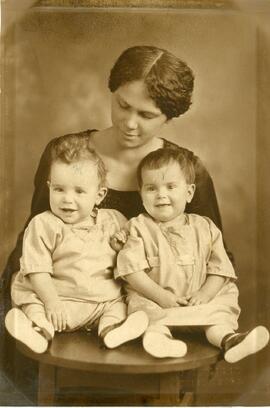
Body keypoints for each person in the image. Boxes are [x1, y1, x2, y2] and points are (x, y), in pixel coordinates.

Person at [1, 45, 229, 396]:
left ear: (169, 117)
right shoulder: (65, 153)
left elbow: (209, 252)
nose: (130, 122)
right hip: (57, 302)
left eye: (147, 114)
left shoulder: (183, 170)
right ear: (111, 91)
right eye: (123, 105)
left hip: (142, 315)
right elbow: (36, 236)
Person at [113, 147, 269, 361]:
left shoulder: (205, 227)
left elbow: (220, 269)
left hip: (199, 302)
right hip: (157, 300)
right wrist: (162, 296)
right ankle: (159, 340)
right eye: (151, 188)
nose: (161, 195)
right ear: (141, 195)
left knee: (221, 304)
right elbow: (132, 272)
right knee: (141, 307)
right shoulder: (137, 227)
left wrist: (204, 295)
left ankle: (228, 340)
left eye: (170, 187)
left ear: (189, 192)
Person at [5, 133, 148, 354]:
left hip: (102, 303)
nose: (67, 199)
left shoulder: (114, 220)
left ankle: (113, 331)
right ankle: (36, 330)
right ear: (49, 187)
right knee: (34, 304)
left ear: (99, 195)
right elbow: (37, 271)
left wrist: (123, 246)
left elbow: (133, 254)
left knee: (119, 307)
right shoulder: (44, 224)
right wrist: (52, 303)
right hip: (58, 301)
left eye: (79, 191)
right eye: (59, 189)